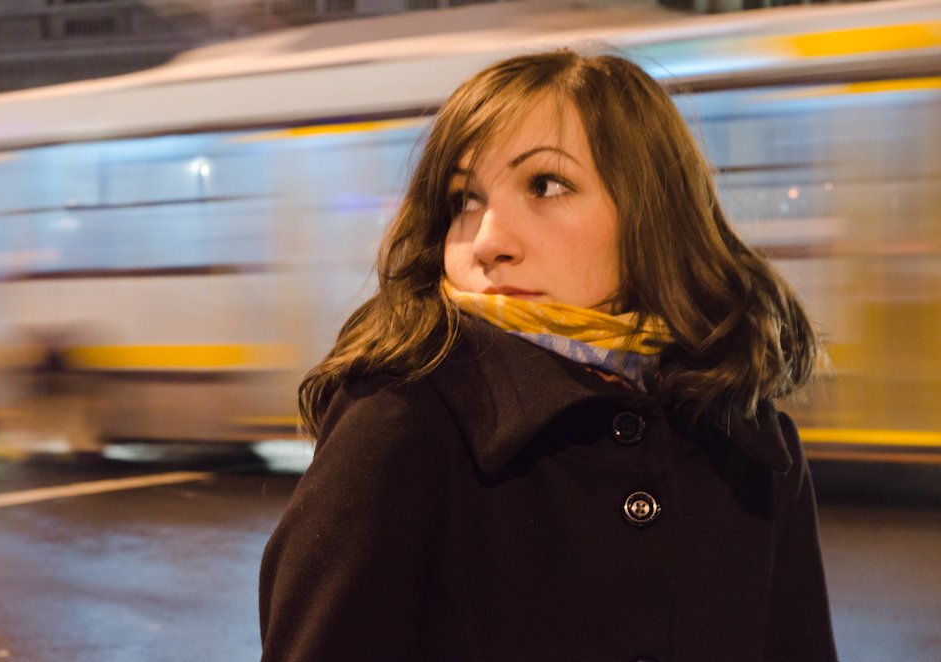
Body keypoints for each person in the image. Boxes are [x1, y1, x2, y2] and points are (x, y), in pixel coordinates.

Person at [259, 50, 838, 661]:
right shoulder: (399, 420)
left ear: (653, 214)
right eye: (464, 199)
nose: (487, 242)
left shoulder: (751, 441)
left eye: (546, 185)